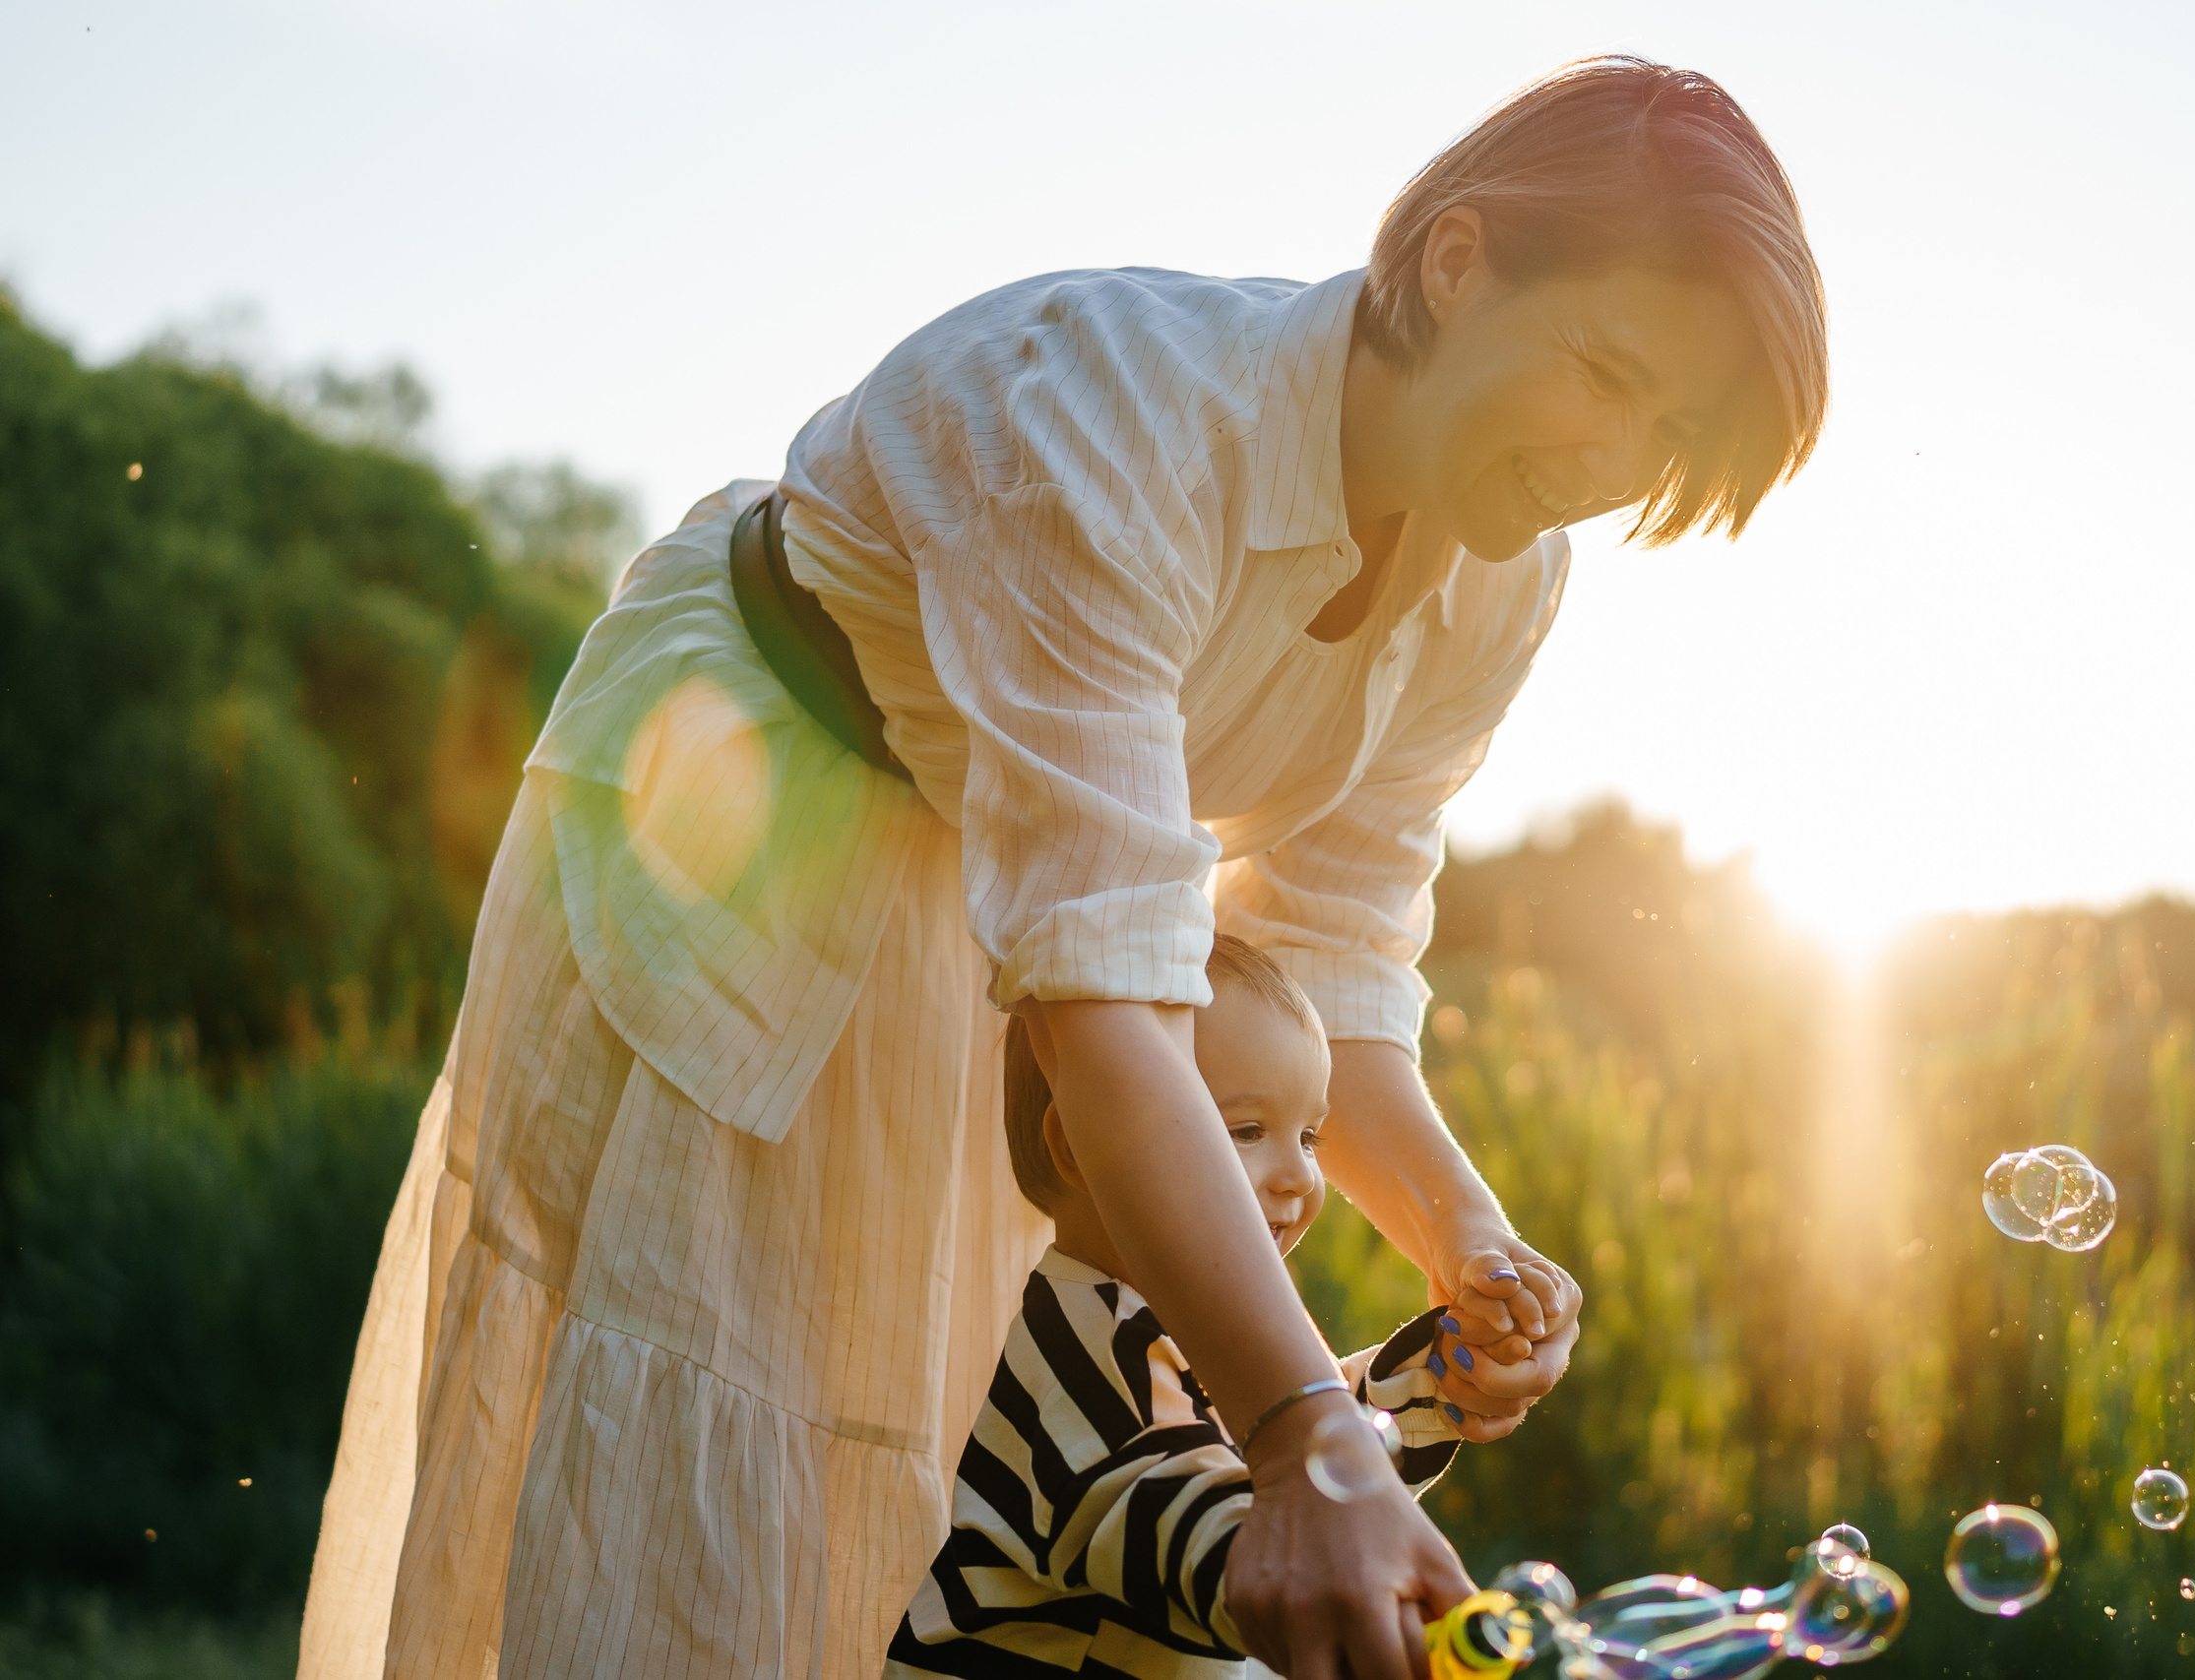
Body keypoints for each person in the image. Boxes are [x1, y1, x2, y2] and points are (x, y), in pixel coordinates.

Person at [298, 53, 1828, 1680]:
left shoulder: (1502, 582)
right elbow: (1108, 997)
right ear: (1458, 262)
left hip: (1003, 897)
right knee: (725, 1433)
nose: (1612, 463)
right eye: (1605, 371)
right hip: (743, 806)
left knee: (947, 1447)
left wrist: (1471, 1239)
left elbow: (1326, 963)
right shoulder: (1118, 406)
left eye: (1665, 432)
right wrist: (1306, 1436)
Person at [888, 936, 1470, 1680]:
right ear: (1083, 1147)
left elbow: (1328, 1464)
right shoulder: (1084, 1350)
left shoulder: (1213, 1330)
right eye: (1247, 1130)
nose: (1299, 1174)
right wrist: (1345, 1585)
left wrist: (1439, 1380)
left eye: (1310, 1135)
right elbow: (1197, 1525)